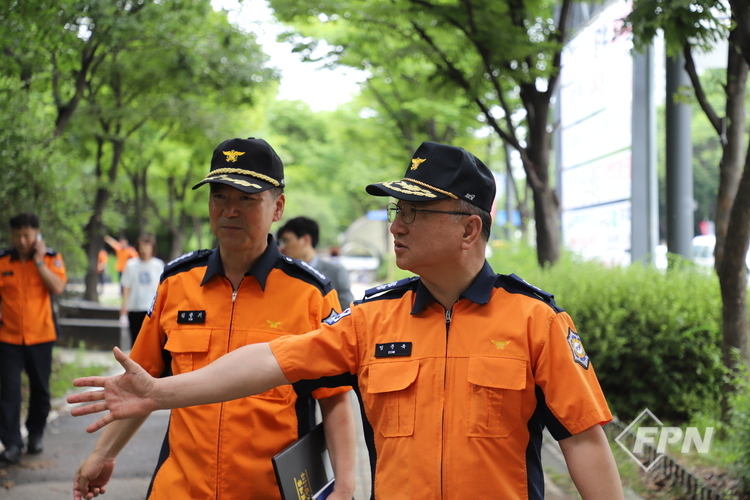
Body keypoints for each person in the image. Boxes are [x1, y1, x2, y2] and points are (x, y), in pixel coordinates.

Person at [69, 142, 624, 500]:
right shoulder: (372, 320)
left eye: (414, 212)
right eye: (397, 211)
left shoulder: (536, 321)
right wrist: (160, 393)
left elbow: (583, 442)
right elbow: (268, 361)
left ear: (469, 228)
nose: (396, 226)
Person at [70, 137, 356, 500]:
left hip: (267, 491)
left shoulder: (310, 293)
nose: (230, 210)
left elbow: (334, 399)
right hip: (181, 488)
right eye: (219, 196)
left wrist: (344, 487)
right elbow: (140, 384)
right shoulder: (177, 282)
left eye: (247, 198)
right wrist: (103, 454)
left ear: (278, 207)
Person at [0, 213, 67, 466]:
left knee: (41, 390)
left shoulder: (50, 258)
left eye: (27, 235)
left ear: (37, 234)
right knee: (9, 391)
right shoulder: (3, 260)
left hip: (41, 337)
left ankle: (36, 434)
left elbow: (57, 287)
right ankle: (12, 444)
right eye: (17, 235)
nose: (22, 240)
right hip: (8, 338)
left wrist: (39, 263)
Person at [277, 216, 355, 310]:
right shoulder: (281, 273)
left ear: (306, 240)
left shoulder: (336, 272)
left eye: (286, 241)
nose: (282, 248)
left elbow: (347, 311)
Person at [118, 234, 164, 347]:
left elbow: (162, 287)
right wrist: (124, 305)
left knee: (152, 341)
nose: (145, 251)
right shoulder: (131, 265)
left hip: (152, 308)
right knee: (136, 340)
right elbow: (126, 286)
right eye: (142, 247)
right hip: (135, 307)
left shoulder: (158, 265)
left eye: (147, 247)